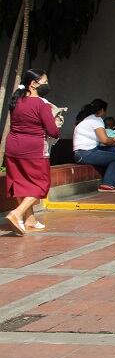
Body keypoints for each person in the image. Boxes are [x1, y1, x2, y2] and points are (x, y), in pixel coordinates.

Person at [3, 70, 61, 235]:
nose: (47, 85)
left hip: (13, 146)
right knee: (41, 184)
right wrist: (56, 121)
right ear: (33, 83)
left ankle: (30, 219)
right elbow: (53, 132)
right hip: (33, 149)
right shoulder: (41, 104)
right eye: (44, 81)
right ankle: (17, 213)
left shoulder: (16, 101)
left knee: (20, 183)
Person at [73, 99, 115, 193]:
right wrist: (114, 141)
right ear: (102, 110)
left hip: (84, 152)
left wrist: (114, 145)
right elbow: (105, 140)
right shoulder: (96, 120)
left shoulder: (88, 119)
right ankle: (107, 185)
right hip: (85, 153)